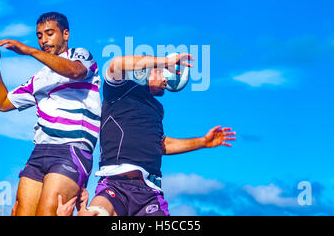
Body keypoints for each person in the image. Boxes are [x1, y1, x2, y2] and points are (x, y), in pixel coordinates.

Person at [58, 54, 236, 216]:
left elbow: (161, 145)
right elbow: (115, 65)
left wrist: (203, 142)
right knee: (94, 214)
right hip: (114, 184)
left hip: (150, 191)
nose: (167, 79)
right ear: (146, 71)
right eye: (163, 73)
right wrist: (166, 61)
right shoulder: (120, 90)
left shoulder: (157, 109)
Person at [0, 12, 101, 216]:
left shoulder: (80, 56)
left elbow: (75, 72)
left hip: (70, 151)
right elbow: (3, 103)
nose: (44, 40)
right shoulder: (39, 79)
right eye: (39, 35)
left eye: (49, 33)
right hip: (38, 153)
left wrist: (30, 51)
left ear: (66, 34)